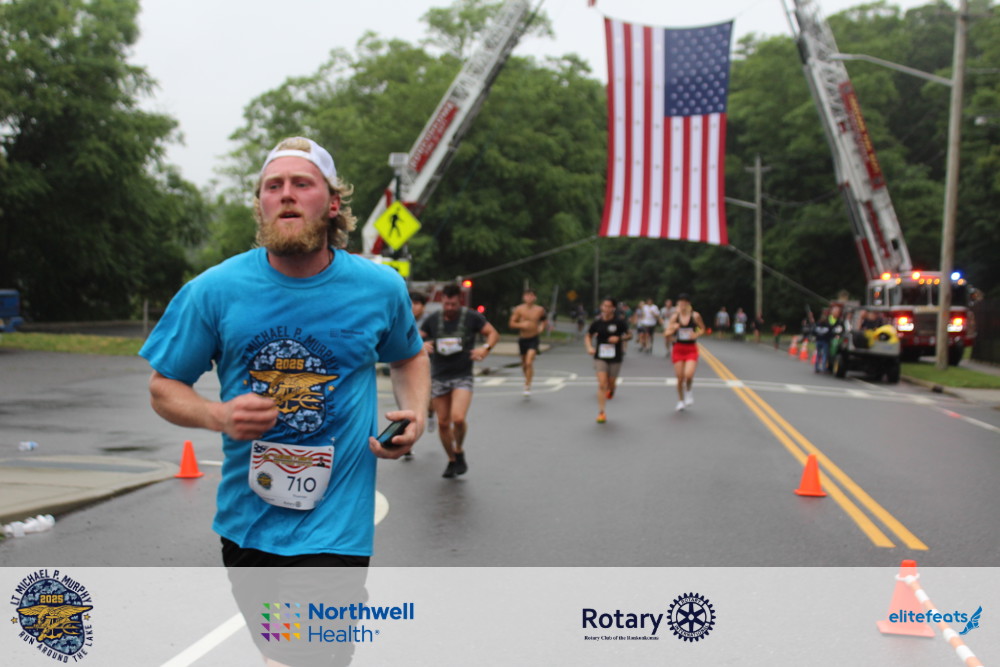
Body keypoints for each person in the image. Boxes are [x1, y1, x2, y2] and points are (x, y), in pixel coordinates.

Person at [421, 283, 500, 478]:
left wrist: (485, 349)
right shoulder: (433, 320)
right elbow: (414, 337)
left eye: (453, 304)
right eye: (446, 304)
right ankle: (452, 459)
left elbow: (492, 333)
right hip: (439, 376)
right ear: (442, 301)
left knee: (457, 418)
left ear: (460, 302)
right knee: (443, 423)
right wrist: (420, 345)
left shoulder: (471, 317)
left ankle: (459, 449)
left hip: (462, 375)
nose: (450, 308)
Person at [585, 297, 631, 424]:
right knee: (602, 384)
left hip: (615, 357)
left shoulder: (619, 322)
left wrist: (619, 339)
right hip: (600, 356)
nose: (606, 309)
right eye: (604, 306)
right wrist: (589, 347)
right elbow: (588, 336)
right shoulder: (597, 323)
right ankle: (601, 412)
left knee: (611, 384)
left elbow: (630, 335)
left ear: (613, 308)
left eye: (609, 306)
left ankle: (612, 389)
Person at [664, 294, 706, 412]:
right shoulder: (675, 317)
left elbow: (702, 328)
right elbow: (666, 333)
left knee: (688, 375)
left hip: (691, 348)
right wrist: (674, 328)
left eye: (685, 302)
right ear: (677, 304)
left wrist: (696, 334)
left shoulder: (695, 316)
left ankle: (688, 390)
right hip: (678, 348)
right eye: (680, 302)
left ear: (688, 304)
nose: (682, 304)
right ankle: (680, 401)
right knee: (680, 378)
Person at [508, 287, 548, 396]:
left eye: (531, 296)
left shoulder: (539, 310)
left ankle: (527, 384)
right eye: (527, 295)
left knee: (529, 362)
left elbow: (544, 321)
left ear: (535, 297)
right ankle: (527, 378)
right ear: (523, 297)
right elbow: (511, 323)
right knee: (524, 364)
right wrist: (522, 325)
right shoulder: (519, 309)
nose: (529, 298)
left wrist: (541, 328)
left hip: (534, 338)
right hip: (523, 338)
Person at [410, 291, 435, 440]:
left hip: (428, 363)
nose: (413, 307)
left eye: (417, 304)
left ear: (423, 306)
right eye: (411, 303)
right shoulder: (403, 319)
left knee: (429, 397)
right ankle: (408, 436)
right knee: (409, 402)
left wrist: (426, 345)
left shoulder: (430, 320)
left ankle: (431, 414)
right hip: (408, 364)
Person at [811, 304, 845, 373]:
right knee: (821, 354)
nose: (836, 313)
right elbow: (819, 329)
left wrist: (838, 334)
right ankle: (820, 367)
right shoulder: (827, 320)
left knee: (827, 354)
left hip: (833, 340)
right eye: (835, 311)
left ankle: (826, 366)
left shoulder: (840, 321)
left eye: (838, 312)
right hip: (825, 339)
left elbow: (841, 330)